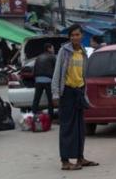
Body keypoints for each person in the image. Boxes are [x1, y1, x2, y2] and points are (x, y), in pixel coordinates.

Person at [52, 24, 99, 171]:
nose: (74, 37)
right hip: (67, 92)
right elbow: (57, 72)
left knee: (80, 127)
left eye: (77, 35)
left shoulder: (83, 52)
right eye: (72, 35)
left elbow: (83, 75)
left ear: (82, 36)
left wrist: (84, 92)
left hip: (79, 92)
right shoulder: (64, 51)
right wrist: (55, 93)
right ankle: (65, 161)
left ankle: (80, 157)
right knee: (67, 127)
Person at [32, 43, 56, 117]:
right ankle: (50, 116)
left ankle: (34, 115)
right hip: (48, 80)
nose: (53, 49)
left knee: (36, 99)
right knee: (50, 100)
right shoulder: (52, 57)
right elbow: (56, 69)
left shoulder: (38, 57)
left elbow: (34, 69)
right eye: (52, 48)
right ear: (49, 49)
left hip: (38, 80)